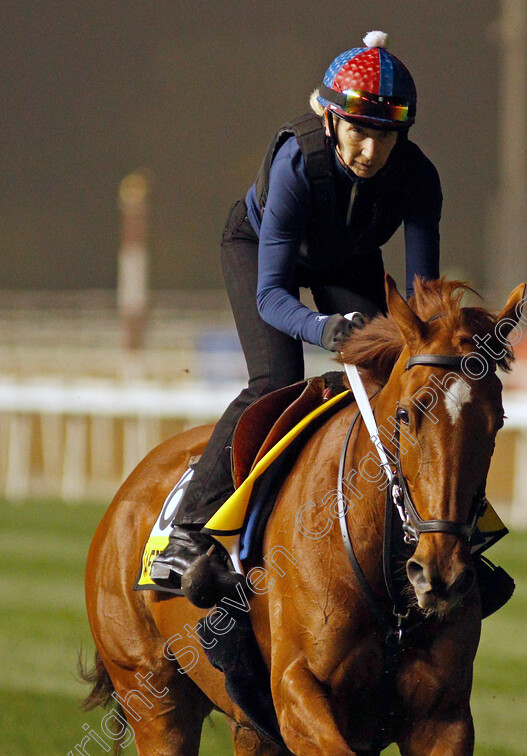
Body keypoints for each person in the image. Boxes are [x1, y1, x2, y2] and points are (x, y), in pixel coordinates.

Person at [151, 31, 443, 604]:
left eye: (385, 137)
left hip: (347, 256)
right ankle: (185, 533)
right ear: (331, 121)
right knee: (276, 380)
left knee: (400, 384)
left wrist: (427, 348)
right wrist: (323, 328)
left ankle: (444, 532)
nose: (369, 152)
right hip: (260, 249)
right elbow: (272, 297)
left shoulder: (419, 177)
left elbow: (422, 298)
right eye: (358, 131)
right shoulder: (294, 162)